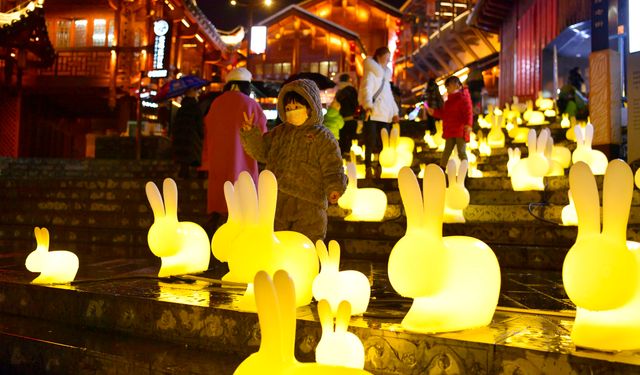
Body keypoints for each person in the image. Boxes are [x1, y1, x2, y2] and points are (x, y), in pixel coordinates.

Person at [240, 79, 347, 242]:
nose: (292, 112)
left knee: (307, 243)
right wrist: (250, 134)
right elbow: (262, 152)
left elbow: (333, 166)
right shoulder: (279, 133)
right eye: (288, 108)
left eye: (297, 107)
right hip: (277, 200)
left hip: (309, 201)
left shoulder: (322, 136)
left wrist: (334, 187)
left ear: (311, 108)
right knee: (278, 243)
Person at [203, 67, 267, 235]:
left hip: (218, 158)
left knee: (220, 195)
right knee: (242, 196)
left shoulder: (216, 103)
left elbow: (208, 129)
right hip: (243, 159)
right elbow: (263, 135)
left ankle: (214, 235)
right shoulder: (251, 104)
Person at [358, 47, 399, 176]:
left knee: (383, 142)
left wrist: (394, 112)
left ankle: (379, 165)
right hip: (373, 112)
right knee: (370, 141)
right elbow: (366, 89)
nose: (388, 60)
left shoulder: (385, 76)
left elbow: (389, 97)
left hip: (385, 114)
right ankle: (368, 167)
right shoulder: (371, 72)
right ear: (379, 56)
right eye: (387, 56)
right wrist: (368, 105)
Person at [426, 76, 472, 169]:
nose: (447, 88)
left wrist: (468, 124)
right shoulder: (448, 102)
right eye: (447, 87)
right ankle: (442, 170)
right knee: (447, 151)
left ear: (457, 85)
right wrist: (434, 112)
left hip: (460, 130)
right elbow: (445, 114)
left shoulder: (463, 98)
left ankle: (464, 172)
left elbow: (468, 112)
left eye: (449, 86)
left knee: (461, 152)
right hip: (450, 131)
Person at [170, 87, 204, 179]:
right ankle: (187, 174)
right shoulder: (195, 106)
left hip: (181, 138)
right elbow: (199, 124)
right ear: (192, 92)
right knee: (190, 156)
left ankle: (183, 173)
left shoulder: (182, 107)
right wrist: (202, 134)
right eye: (196, 91)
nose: (197, 93)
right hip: (191, 138)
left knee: (183, 159)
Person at [335, 73, 359, 154]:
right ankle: (349, 156)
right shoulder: (352, 90)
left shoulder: (338, 90)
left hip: (340, 119)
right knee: (350, 138)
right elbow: (356, 103)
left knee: (342, 138)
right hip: (351, 118)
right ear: (349, 80)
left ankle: (342, 156)